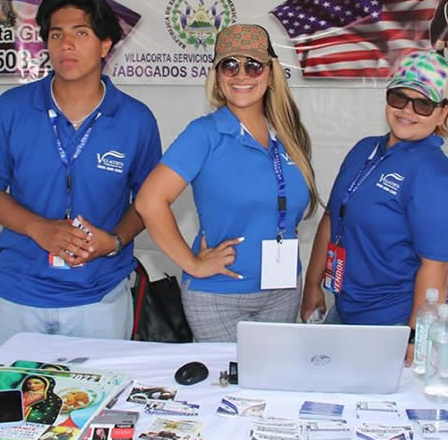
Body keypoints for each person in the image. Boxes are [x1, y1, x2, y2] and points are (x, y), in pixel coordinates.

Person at [0, 0, 161, 348]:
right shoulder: (11, 108)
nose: (66, 44)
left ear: (105, 45)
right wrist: (38, 228)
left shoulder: (135, 119)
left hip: (100, 295)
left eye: (81, 33)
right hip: (19, 293)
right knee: (19, 401)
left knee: (100, 403)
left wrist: (115, 241)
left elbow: (149, 201)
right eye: (56, 34)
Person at [135, 23, 319, 342]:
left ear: (271, 72)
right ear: (218, 76)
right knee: (222, 391)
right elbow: (149, 202)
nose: (241, 74)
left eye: (253, 64)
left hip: (283, 291)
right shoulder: (205, 133)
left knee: (272, 387)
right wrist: (191, 262)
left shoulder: (289, 134)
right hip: (219, 297)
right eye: (229, 64)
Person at [300, 50, 448, 364]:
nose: (408, 110)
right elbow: (333, 217)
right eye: (399, 97)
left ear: (442, 114)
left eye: (423, 104)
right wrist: (312, 285)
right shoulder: (365, 149)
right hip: (343, 312)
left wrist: (416, 338)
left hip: (393, 326)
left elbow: (436, 267)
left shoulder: (436, 174)